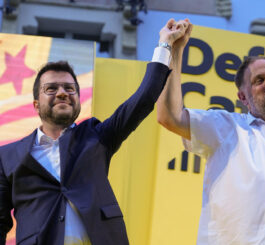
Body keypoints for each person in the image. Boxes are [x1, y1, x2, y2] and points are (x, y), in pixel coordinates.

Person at [0, 19, 191, 245]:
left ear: (78, 101)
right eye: (51, 88)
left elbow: (142, 100)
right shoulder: (7, 156)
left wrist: (165, 44)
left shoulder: (97, 136)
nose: (62, 93)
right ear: (35, 105)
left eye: (69, 88)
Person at [157, 21, 265, 244]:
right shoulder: (225, 127)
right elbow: (169, 116)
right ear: (243, 98)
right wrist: (172, 49)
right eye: (259, 80)